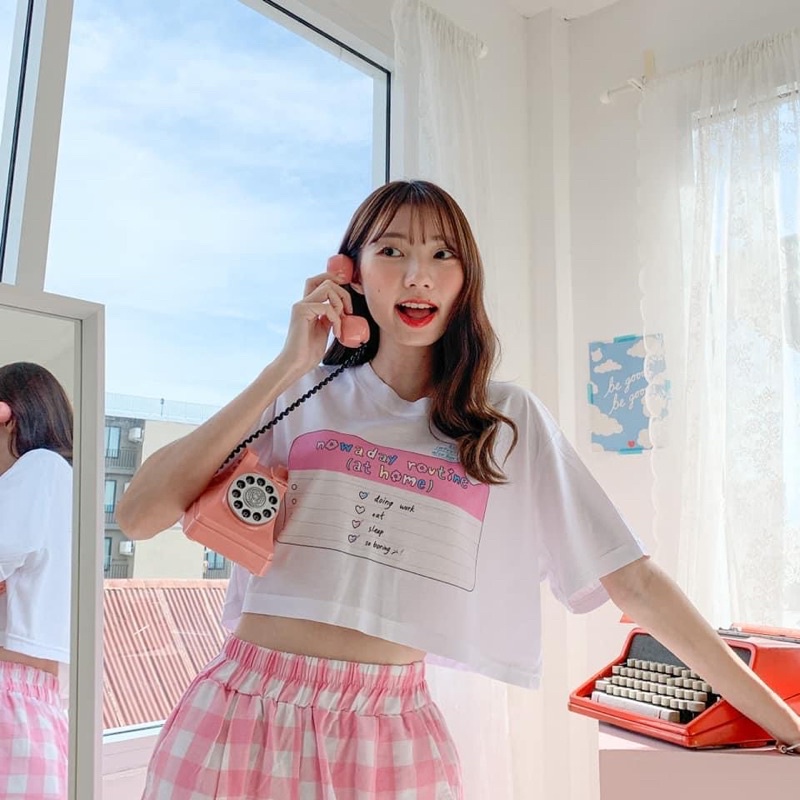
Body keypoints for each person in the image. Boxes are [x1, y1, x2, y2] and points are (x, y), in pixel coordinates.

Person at [118, 180, 800, 800]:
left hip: (389, 737)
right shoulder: (300, 394)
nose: (417, 274)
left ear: (465, 278)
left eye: (441, 254)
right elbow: (140, 516)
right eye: (392, 251)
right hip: (242, 712)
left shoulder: (504, 422)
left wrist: (786, 723)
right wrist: (286, 365)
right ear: (350, 273)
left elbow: (635, 581)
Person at [0, 362, 73, 800]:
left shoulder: (40, 467)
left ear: (6, 415)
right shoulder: (65, 481)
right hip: (35, 699)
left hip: (11, 691)